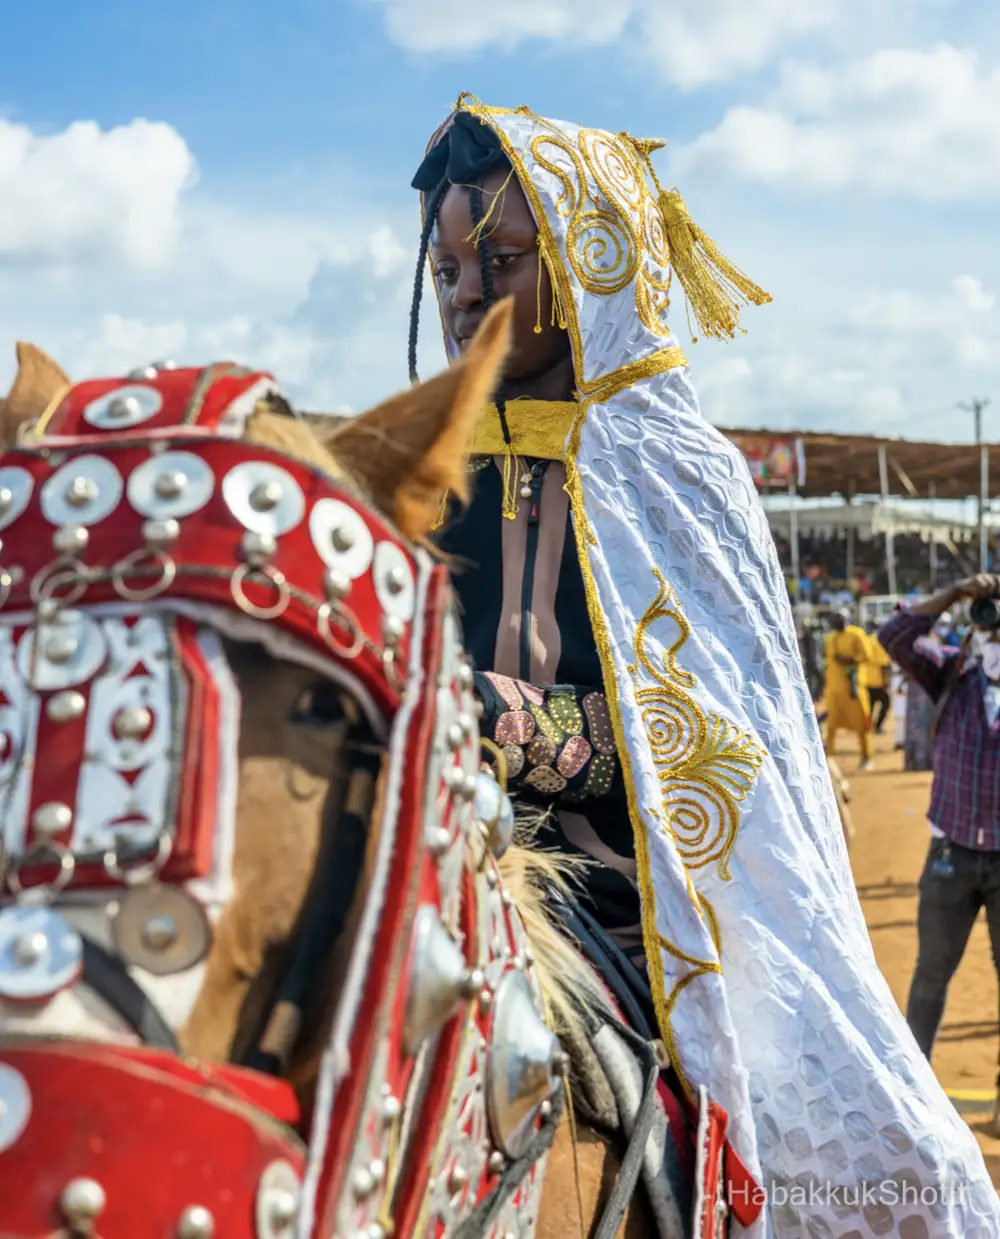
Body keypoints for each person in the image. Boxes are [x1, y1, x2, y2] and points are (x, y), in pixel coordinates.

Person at [407, 95, 998, 1231]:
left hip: (650, 938)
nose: (467, 295)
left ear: (596, 261)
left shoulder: (679, 478)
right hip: (443, 905)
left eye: (505, 260)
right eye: (444, 274)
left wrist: (496, 723)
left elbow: (711, 758)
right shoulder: (421, 474)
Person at [880, 576, 1000, 1127]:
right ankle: (914, 1094)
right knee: (930, 972)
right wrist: (955, 593)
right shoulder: (952, 672)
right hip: (951, 851)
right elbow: (895, 634)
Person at [823, 609, 874, 767]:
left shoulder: (856, 634)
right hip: (834, 689)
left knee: (861, 723)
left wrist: (849, 660)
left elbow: (867, 656)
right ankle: (826, 759)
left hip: (853, 689)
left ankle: (866, 757)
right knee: (830, 726)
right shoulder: (830, 638)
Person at [861, 620, 893, 733]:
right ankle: (877, 727)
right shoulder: (879, 641)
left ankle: (867, 727)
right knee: (886, 703)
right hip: (878, 680)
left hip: (865, 679)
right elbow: (884, 664)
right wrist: (887, 681)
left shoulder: (864, 640)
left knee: (869, 705)